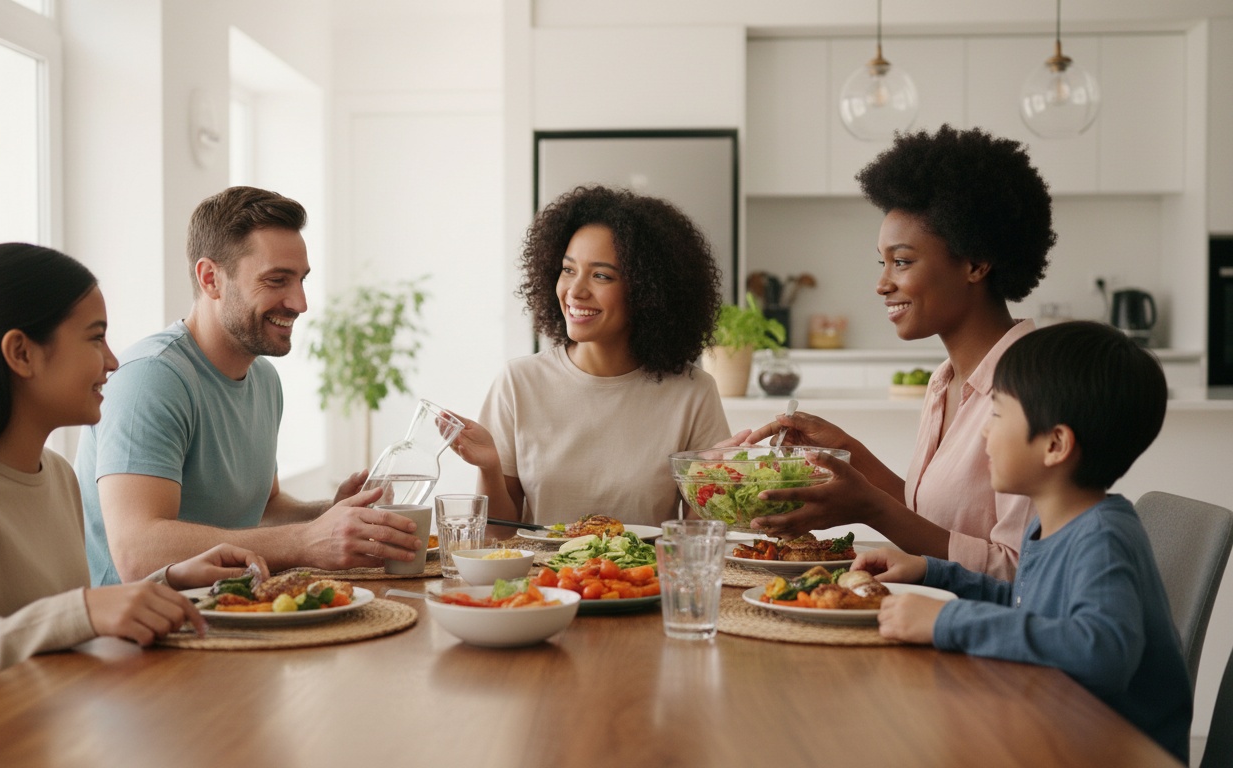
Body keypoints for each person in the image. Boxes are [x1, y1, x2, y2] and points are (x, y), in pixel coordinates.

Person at [0, 243, 268, 723]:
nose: (112, 361)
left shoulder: (57, 476)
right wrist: (82, 611)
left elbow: (55, 624)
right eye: (95, 338)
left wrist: (168, 581)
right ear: (21, 353)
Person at [855, 321, 1190, 761]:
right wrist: (932, 572)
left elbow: (1102, 652)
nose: (983, 432)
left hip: (1112, 751)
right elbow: (1027, 606)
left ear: (1055, 444)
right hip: (1059, 730)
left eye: (996, 415)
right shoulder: (1050, 525)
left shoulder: (1102, 538)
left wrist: (947, 620)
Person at [744, 125, 1056, 578]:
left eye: (902, 261)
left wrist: (871, 509)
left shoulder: (1034, 387)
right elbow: (936, 520)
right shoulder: (945, 381)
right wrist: (849, 454)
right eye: (883, 261)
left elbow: (1022, 574)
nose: (882, 283)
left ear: (975, 263)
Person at [77, 187, 420, 586]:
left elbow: (263, 510)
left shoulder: (264, 379)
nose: (300, 303)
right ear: (211, 279)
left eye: (301, 280)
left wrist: (329, 514)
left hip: (230, 609)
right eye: (277, 280)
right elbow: (138, 553)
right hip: (140, 622)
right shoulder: (151, 378)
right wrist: (305, 541)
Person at [451, 185, 734, 528]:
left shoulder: (693, 393)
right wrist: (489, 467)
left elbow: (700, 538)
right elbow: (498, 537)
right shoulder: (518, 382)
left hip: (647, 566)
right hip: (539, 567)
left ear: (648, 291)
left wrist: (724, 482)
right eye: (568, 269)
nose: (575, 291)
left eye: (601, 275)